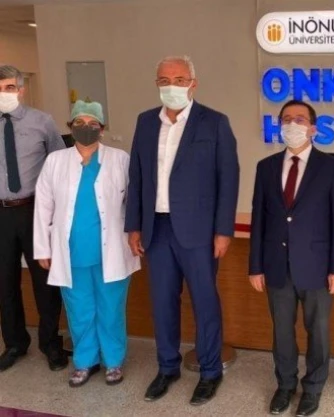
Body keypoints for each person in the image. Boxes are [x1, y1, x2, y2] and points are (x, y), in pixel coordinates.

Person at [125, 56, 240, 405]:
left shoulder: (215, 122)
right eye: (164, 80)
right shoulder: (146, 122)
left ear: (193, 83)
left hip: (199, 231)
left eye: (179, 79)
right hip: (156, 228)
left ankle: (210, 371)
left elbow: (228, 179)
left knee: (204, 302)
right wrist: (133, 225)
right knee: (162, 302)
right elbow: (137, 176)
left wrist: (223, 230)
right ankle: (167, 367)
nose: (171, 86)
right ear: (156, 84)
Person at [249, 100, 334, 416]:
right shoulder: (265, 167)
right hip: (276, 265)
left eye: (300, 119)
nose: (292, 124)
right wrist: (255, 266)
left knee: (317, 331)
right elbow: (259, 219)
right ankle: (285, 385)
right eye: (287, 119)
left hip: (317, 267)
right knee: (282, 331)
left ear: (313, 128)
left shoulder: (331, 167)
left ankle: (313, 388)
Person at [34, 100, 140, 387]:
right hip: (71, 251)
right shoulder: (56, 161)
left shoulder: (120, 159)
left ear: (102, 129)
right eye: (79, 123)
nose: (86, 128)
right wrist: (42, 248)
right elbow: (43, 206)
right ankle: (84, 361)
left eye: (93, 124)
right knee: (79, 309)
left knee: (111, 308)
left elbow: (134, 203)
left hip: (112, 250)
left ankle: (113, 361)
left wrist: (136, 234)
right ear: (70, 127)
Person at [0, 64, 67, 372]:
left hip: (35, 211)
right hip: (1, 213)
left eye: (9, 87)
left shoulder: (43, 122)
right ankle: (15, 343)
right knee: (5, 282)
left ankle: (51, 343)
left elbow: (60, 166)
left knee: (45, 280)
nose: (4, 93)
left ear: (21, 89)